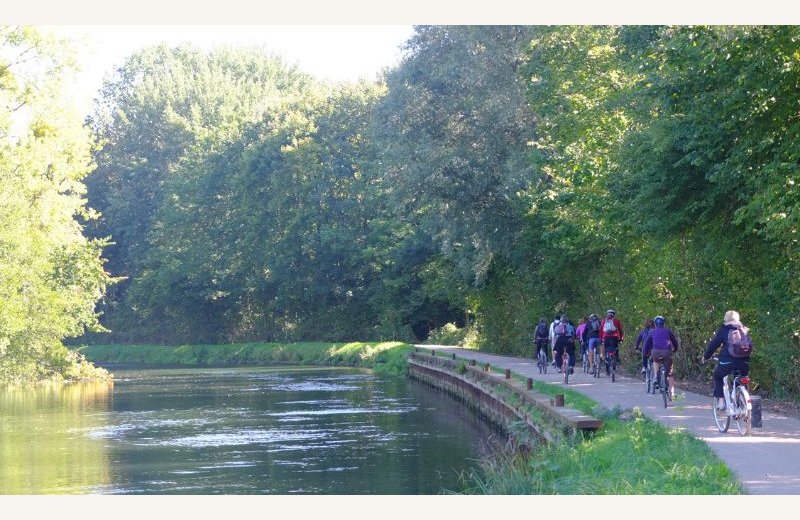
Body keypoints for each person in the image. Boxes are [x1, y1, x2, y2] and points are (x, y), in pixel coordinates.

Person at [702, 310, 753, 410]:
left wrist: (706, 356)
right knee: (740, 378)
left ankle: (721, 402)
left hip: (727, 361)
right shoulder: (744, 329)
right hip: (744, 362)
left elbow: (714, 345)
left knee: (718, 376)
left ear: (726, 318)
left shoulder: (724, 329)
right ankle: (741, 405)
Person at [643, 315, 679, 398]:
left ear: (655, 324)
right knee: (670, 373)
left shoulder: (652, 332)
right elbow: (674, 342)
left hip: (655, 352)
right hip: (667, 352)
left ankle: (655, 376)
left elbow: (647, 344)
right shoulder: (668, 331)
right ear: (664, 323)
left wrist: (645, 353)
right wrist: (675, 349)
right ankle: (672, 394)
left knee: (655, 361)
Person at [599, 309, 624, 375]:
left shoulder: (603, 321)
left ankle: (607, 370)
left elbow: (601, 330)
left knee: (607, 351)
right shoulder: (616, 321)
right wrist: (621, 338)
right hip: (614, 337)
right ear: (614, 314)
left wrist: (601, 339)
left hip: (606, 337)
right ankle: (616, 359)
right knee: (615, 349)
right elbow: (620, 330)